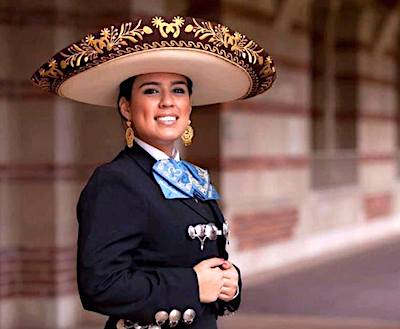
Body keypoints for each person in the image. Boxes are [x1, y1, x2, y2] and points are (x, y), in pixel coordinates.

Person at [31, 15, 276, 329]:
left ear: (189, 108)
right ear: (126, 108)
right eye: (150, 91)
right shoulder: (116, 181)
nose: (167, 102)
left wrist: (229, 281)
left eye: (178, 90)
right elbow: (100, 287)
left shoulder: (192, 177)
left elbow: (196, 256)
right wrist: (191, 285)